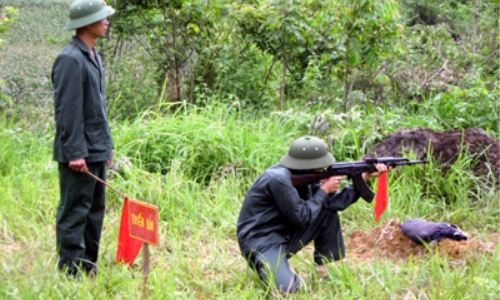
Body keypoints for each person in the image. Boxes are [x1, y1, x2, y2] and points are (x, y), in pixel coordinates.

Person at [237, 136, 390, 293]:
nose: (323, 169)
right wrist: (324, 190)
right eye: (320, 166)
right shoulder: (279, 179)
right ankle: (273, 268)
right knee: (286, 289)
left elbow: (334, 203)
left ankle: (324, 270)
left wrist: (363, 177)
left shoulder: (306, 175)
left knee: (327, 211)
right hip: (261, 241)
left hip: (285, 234)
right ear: (307, 165)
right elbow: (303, 217)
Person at [52, 0, 115, 277]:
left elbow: (97, 108)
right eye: (101, 18)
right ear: (87, 24)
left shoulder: (93, 55)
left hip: (96, 148)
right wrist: (75, 151)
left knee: (95, 210)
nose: (106, 22)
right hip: (79, 152)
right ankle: (70, 271)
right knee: (75, 210)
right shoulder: (70, 58)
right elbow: (68, 111)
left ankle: (88, 265)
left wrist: (107, 147)